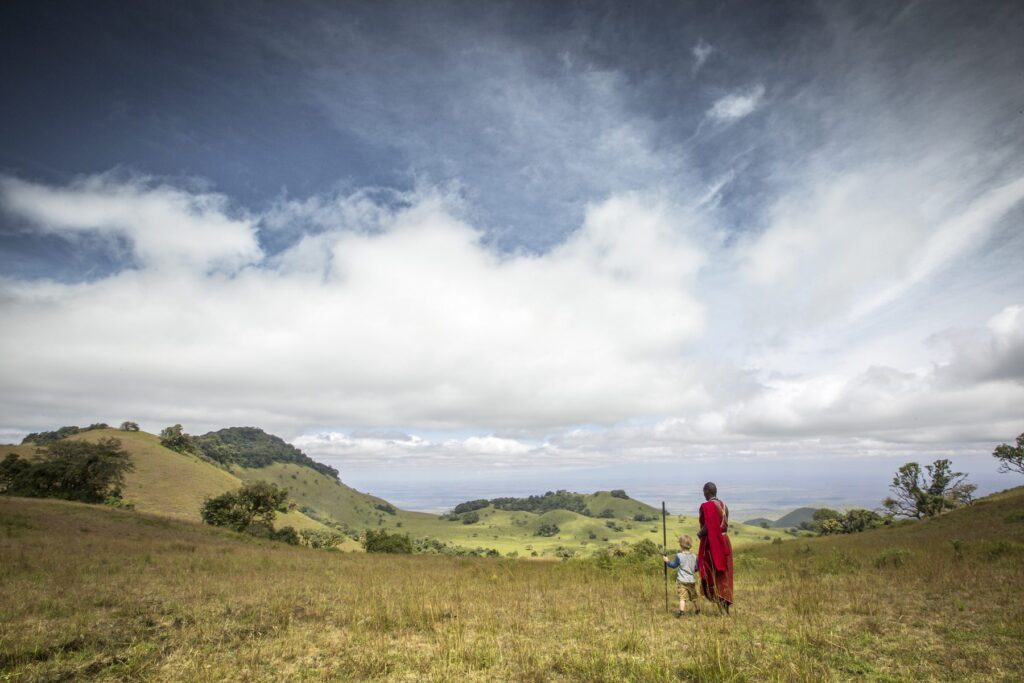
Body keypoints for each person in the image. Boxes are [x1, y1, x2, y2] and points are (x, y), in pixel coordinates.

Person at [697, 481, 733, 615]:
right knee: (725, 574)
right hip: (725, 540)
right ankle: (726, 606)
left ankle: (721, 608)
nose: (703, 494)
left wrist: (700, 533)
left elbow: (708, 525)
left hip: (713, 543)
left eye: (704, 491)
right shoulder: (724, 505)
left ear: (707, 491)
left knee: (713, 572)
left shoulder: (707, 506)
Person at [663, 534, 700, 617]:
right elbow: (697, 568)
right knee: (694, 596)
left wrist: (667, 561)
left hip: (682, 581)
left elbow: (673, 565)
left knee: (682, 597)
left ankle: (681, 612)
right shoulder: (694, 556)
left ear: (681, 545)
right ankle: (698, 610)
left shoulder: (679, 556)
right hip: (691, 580)